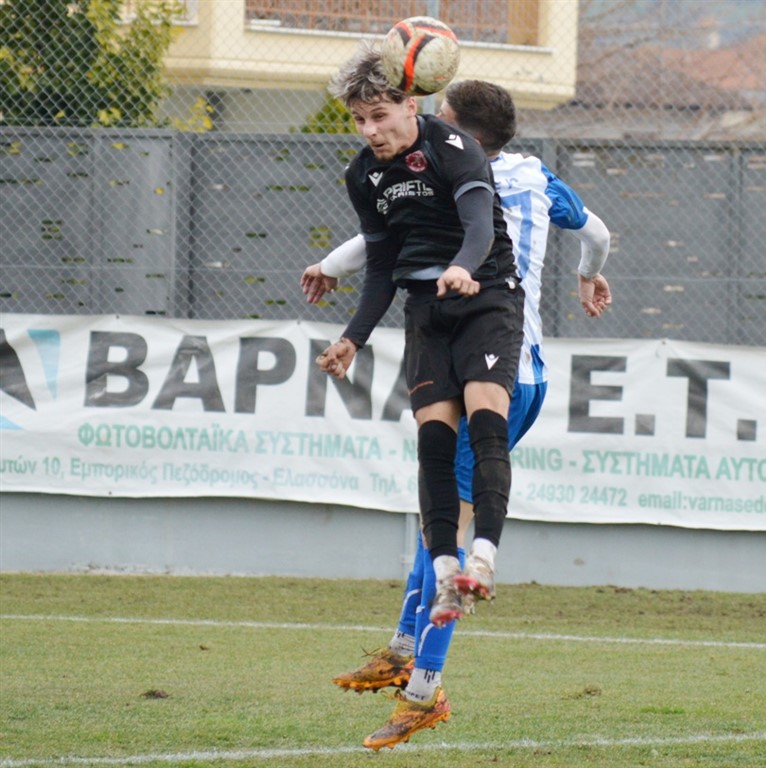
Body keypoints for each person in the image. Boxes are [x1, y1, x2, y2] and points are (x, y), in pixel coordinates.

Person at [302, 78, 612, 750]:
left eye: (439, 119)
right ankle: (402, 649)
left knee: (450, 519)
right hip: (518, 362)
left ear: (461, 135)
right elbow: (597, 232)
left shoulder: (452, 170)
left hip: (494, 354)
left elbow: (376, 242)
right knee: (438, 515)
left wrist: (328, 264)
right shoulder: (535, 176)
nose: (429, 130)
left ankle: (424, 688)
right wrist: (588, 273)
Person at [314, 49, 527, 749]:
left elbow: (479, 223)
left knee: (486, 424)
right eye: (359, 120)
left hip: (486, 297)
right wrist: (352, 337)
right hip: (426, 310)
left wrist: (464, 268)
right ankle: (445, 575)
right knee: (433, 444)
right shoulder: (364, 175)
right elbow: (381, 264)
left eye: (380, 115)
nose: (370, 130)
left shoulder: (453, 145)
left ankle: (484, 558)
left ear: (413, 104)